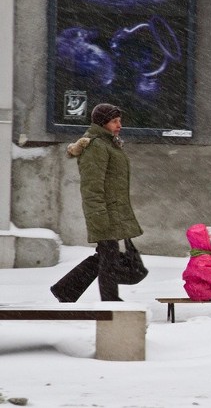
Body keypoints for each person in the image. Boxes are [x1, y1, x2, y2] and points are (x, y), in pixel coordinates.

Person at [51, 103, 143, 302]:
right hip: (104, 212)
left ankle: (66, 289)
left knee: (105, 257)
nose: (119, 125)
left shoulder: (109, 143)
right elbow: (91, 186)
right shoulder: (97, 146)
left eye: (120, 121)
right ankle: (110, 301)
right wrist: (98, 215)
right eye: (114, 121)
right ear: (102, 123)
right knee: (108, 259)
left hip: (114, 211)